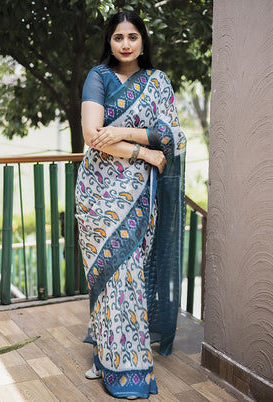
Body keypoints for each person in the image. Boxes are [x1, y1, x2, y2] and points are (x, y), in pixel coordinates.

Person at [75, 10, 186, 399]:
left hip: (138, 196)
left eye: (132, 37)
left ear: (143, 41)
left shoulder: (157, 82)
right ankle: (107, 357)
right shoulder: (98, 77)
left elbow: (174, 136)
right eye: (118, 37)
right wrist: (143, 151)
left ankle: (123, 363)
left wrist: (121, 131)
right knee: (106, 276)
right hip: (97, 193)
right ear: (109, 41)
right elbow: (92, 135)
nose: (125, 44)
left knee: (130, 277)